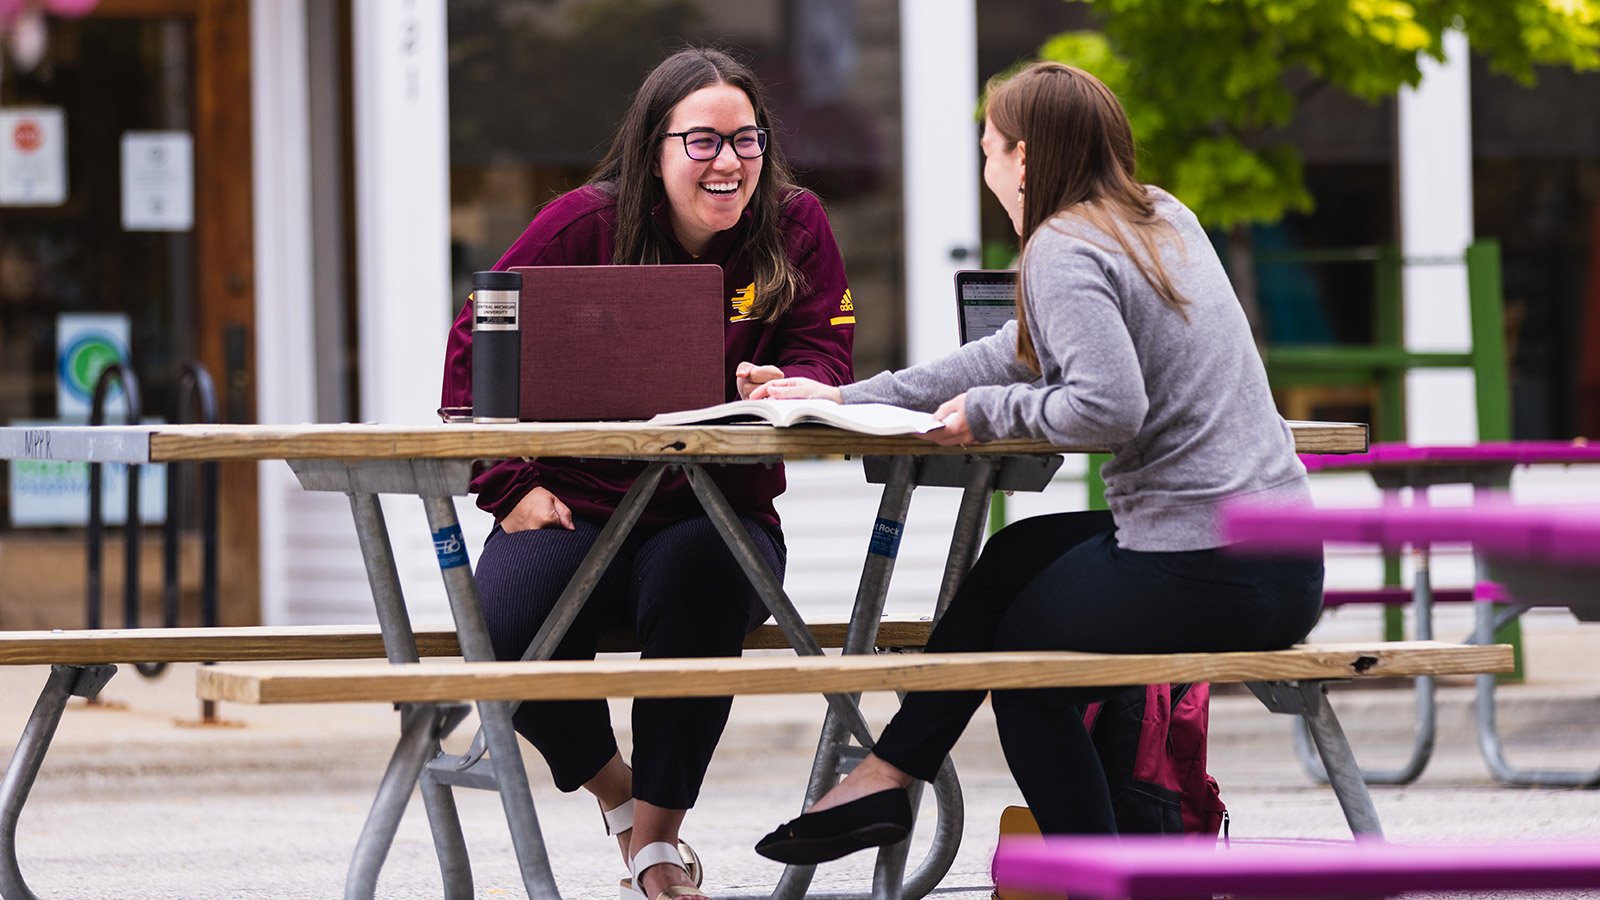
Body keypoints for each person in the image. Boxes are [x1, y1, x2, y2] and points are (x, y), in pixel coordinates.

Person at [749, 61, 1325, 863]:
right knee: (1016, 553)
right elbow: (1013, 354)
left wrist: (986, 415)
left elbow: (1107, 406)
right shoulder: (1159, 217)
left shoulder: (1065, 246)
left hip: (1208, 566)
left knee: (1026, 674)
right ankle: (886, 777)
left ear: (1023, 157)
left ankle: (1096, 879)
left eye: (988, 148)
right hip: (1285, 562)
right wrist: (849, 397)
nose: (985, 167)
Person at [439, 47, 855, 900]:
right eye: (702, 142)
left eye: (748, 140)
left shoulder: (799, 222)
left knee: (703, 573)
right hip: (574, 503)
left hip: (716, 510)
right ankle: (621, 796)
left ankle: (658, 844)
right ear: (652, 148)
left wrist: (793, 384)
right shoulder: (577, 227)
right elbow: (476, 352)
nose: (729, 162)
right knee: (505, 626)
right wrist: (508, 485)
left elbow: (826, 354)